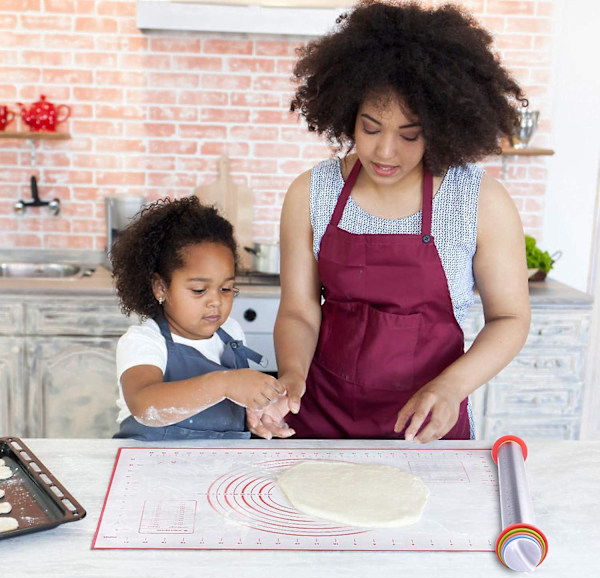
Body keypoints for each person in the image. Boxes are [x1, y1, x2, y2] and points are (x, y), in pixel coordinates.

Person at [253, 0, 531, 443]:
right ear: (347, 114)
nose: (385, 152)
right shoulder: (312, 192)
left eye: (409, 135)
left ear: (441, 127)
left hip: (427, 425)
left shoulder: (479, 201)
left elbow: (510, 317)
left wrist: (451, 387)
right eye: (370, 127)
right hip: (322, 416)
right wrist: (291, 376)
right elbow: (299, 311)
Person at [110, 196, 290, 441]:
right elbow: (145, 406)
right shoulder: (145, 340)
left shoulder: (232, 332)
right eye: (198, 290)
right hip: (150, 469)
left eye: (226, 289)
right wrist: (226, 384)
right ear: (160, 287)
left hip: (218, 469)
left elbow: (230, 402)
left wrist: (255, 409)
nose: (215, 301)